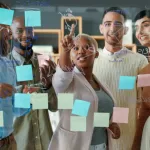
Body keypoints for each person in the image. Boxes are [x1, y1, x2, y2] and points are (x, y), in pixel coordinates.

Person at [48, 24, 120, 150]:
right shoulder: (68, 81)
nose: (81, 51)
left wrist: (112, 124)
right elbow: (63, 74)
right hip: (74, 145)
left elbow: (96, 112)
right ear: (71, 54)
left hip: (102, 145)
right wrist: (64, 50)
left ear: (96, 54)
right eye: (75, 48)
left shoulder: (101, 83)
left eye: (87, 47)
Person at [93, 7, 149, 150]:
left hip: (128, 139)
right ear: (101, 28)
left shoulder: (140, 62)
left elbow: (145, 104)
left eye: (118, 25)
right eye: (107, 24)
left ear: (125, 30)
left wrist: (137, 141)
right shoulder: (91, 62)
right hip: (96, 138)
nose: (112, 29)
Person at [8, 16, 57, 150]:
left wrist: (48, 87)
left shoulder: (46, 62)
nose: (26, 35)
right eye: (19, 31)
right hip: (17, 144)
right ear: (10, 33)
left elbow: (55, 106)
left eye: (30, 30)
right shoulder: (4, 66)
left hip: (46, 143)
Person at [0, 2, 30, 150]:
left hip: (8, 141)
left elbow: (14, 109)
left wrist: (25, 97)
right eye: (4, 26)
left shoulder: (7, 63)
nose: (9, 33)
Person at [134, 9, 150, 150]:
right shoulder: (144, 71)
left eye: (145, 25)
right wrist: (135, 145)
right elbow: (144, 109)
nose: (140, 31)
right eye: (136, 27)